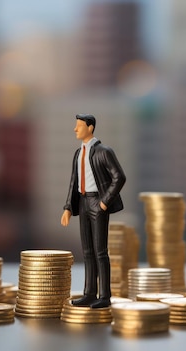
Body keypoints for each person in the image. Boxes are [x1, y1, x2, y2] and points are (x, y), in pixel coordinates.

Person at [61, 114, 126, 308]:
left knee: (100, 252)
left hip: (97, 202)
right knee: (87, 251)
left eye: (79, 126)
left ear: (90, 128)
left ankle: (104, 296)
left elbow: (119, 177)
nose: (75, 129)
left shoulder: (104, 151)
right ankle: (89, 293)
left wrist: (105, 202)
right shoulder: (77, 153)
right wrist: (68, 208)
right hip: (82, 202)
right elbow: (73, 182)